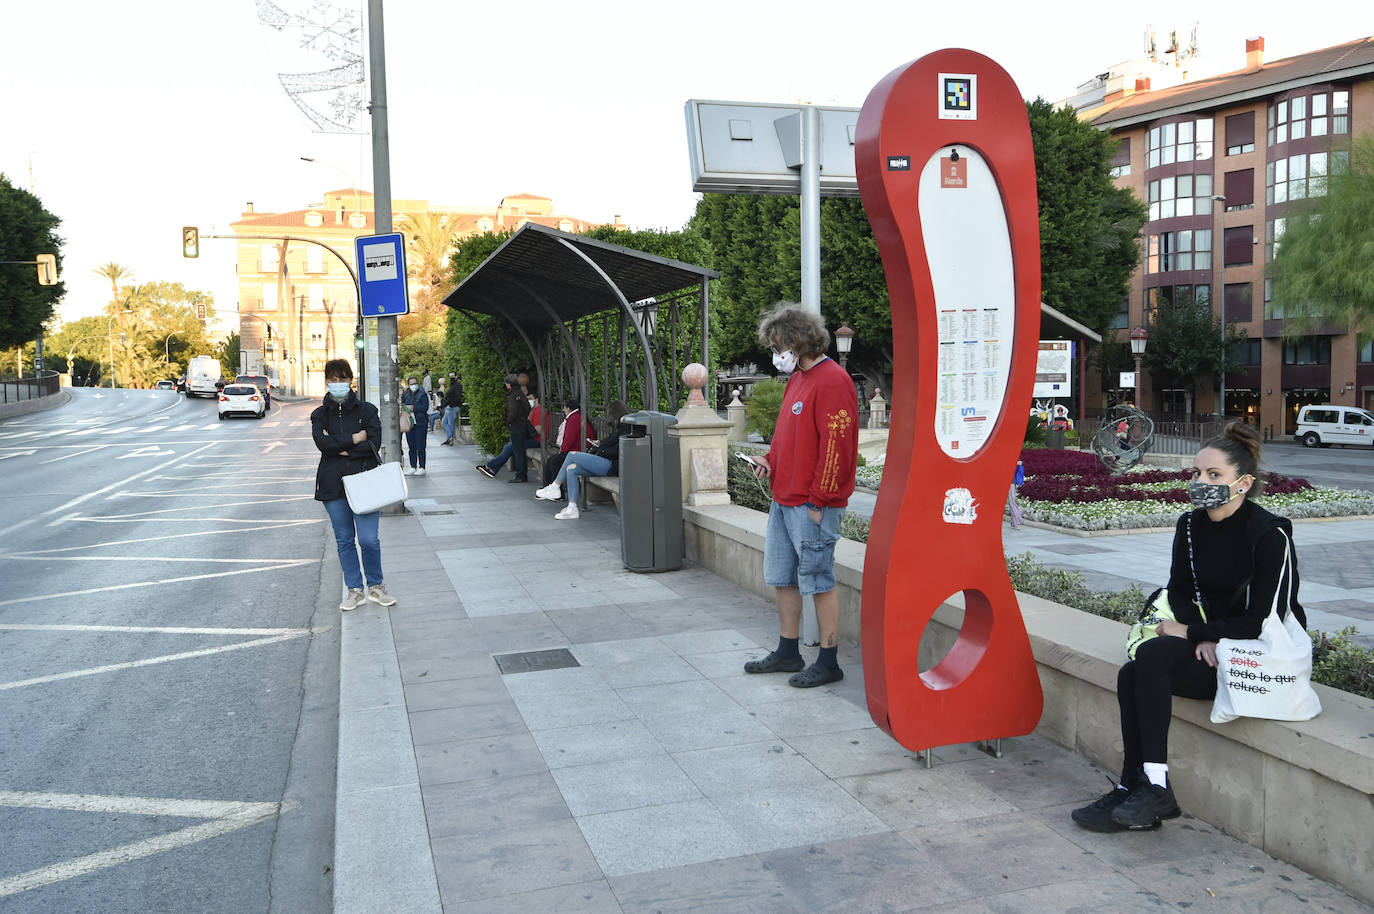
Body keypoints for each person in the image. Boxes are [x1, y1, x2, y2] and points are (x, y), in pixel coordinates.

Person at [1071, 422, 1306, 833]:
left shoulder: (1270, 536)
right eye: (1197, 473)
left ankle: (1151, 788)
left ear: (1244, 483)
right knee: (1134, 672)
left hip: (1255, 658)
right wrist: (1203, 634)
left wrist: (1201, 634)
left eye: (1214, 475)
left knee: (1152, 656)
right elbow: (1179, 592)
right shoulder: (1190, 526)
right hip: (1211, 649)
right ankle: (1138, 788)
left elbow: (1261, 620)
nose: (1201, 482)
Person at [741, 303, 859, 688]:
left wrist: (818, 502)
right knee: (784, 580)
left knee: (819, 581)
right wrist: (769, 460)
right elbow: (788, 438)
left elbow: (836, 449)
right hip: (784, 498)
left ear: (800, 340)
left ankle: (828, 661)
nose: (776, 354)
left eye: (779, 346)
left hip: (810, 506)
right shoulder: (798, 380)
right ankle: (788, 651)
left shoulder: (832, 381)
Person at [311, 358, 395, 611]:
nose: (338, 384)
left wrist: (342, 446)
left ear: (351, 380)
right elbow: (322, 444)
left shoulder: (367, 410)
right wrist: (354, 439)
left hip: (365, 481)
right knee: (345, 540)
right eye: (333, 380)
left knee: (369, 540)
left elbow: (373, 443)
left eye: (342, 379)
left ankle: (376, 586)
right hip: (332, 485)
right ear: (326, 381)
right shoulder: (319, 414)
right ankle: (355, 590)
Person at [536, 401, 628, 518]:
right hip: (606, 461)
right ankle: (572, 508)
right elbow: (610, 442)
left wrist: (602, 449)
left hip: (612, 465)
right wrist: (600, 444)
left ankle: (555, 487)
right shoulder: (620, 428)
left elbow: (617, 449)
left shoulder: (625, 429)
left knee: (572, 455)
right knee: (571, 469)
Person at [476, 374, 531, 482]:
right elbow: (527, 408)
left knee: (518, 451)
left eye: (506, 383)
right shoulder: (520, 394)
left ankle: (520, 476)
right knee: (519, 451)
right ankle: (521, 474)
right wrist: (522, 418)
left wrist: (507, 422)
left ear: (509, 384)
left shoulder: (512, 396)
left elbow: (512, 412)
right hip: (522, 425)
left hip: (516, 426)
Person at [543, 398, 588, 485]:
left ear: (569, 408)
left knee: (554, 461)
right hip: (578, 450)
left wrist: (562, 452)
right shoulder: (577, 416)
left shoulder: (573, 419)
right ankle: (550, 487)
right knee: (552, 460)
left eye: (564, 407)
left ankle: (557, 490)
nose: (563, 410)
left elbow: (569, 440)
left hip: (577, 451)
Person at [400, 375, 429, 476]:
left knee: (420, 445)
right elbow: (402, 404)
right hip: (409, 423)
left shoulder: (422, 393)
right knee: (411, 445)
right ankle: (413, 466)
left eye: (415, 383)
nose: (413, 385)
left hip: (420, 422)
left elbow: (425, 407)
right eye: (411, 384)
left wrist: (413, 408)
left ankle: (422, 467)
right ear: (408, 385)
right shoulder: (406, 394)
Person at [440, 376, 463, 446]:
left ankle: (450, 438)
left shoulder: (456, 386)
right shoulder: (454, 386)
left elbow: (456, 397)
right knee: (445, 422)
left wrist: (450, 405)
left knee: (450, 423)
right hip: (451, 407)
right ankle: (449, 438)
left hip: (452, 407)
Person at [1007, 460, 1025, 530]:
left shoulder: (1013, 455)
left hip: (1011, 481)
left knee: (1012, 501)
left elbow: (1020, 463)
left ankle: (1017, 521)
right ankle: (1016, 521)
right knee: (1012, 501)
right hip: (1002, 480)